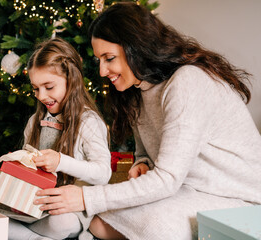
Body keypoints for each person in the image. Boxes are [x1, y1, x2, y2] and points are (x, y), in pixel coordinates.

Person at [33, 2, 261, 240]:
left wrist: (85, 197)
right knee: (99, 220)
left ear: (136, 48)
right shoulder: (138, 90)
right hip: (185, 188)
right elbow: (147, 153)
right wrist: (141, 163)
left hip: (237, 199)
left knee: (147, 226)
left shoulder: (187, 82)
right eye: (100, 59)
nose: (102, 71)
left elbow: (167, 179)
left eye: (109, 58)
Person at [0, 38, 111, 240]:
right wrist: (11, 181)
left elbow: (103, 173)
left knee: (61, 222)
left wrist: (60, 161)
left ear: (71, 81)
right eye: (36, 88)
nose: (41, 96)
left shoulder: (87, 122)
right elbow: (30, 169)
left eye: (49, 86)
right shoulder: (35, 121)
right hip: (33, 205)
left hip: (66, 210)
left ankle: (27, 236)